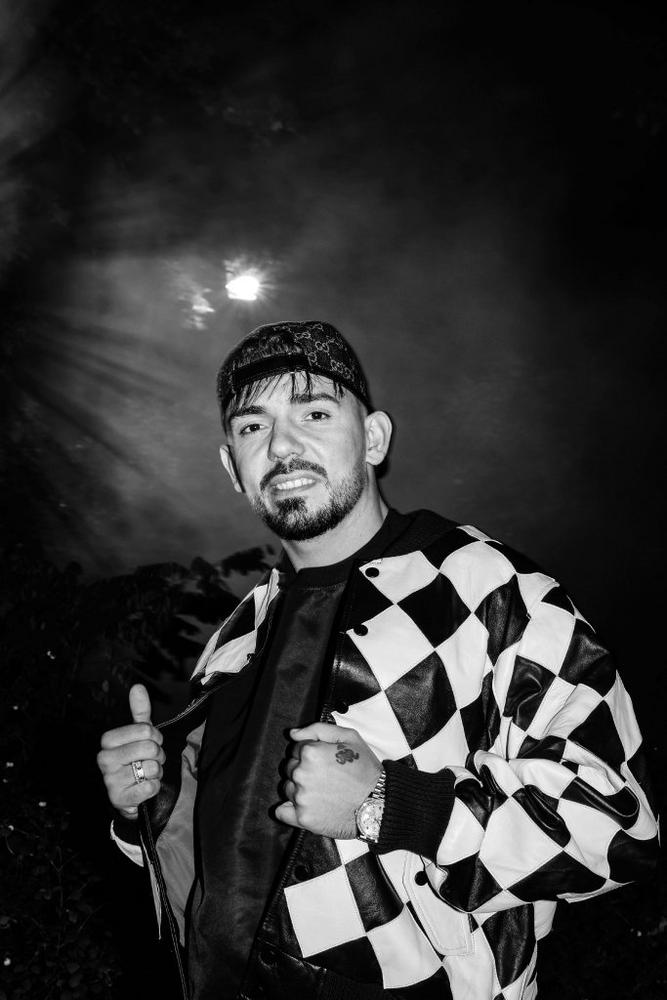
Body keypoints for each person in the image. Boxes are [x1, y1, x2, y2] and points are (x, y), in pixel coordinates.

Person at [97, 320, 659, 1000]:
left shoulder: (488, 588)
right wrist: (152, 803)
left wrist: (389, 804)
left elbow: (619, 827)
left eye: (313, 414)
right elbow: (227, 859)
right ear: (232, 467)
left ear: (372, 439)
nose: (281, 445)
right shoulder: (238, 634)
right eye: (252, 427)